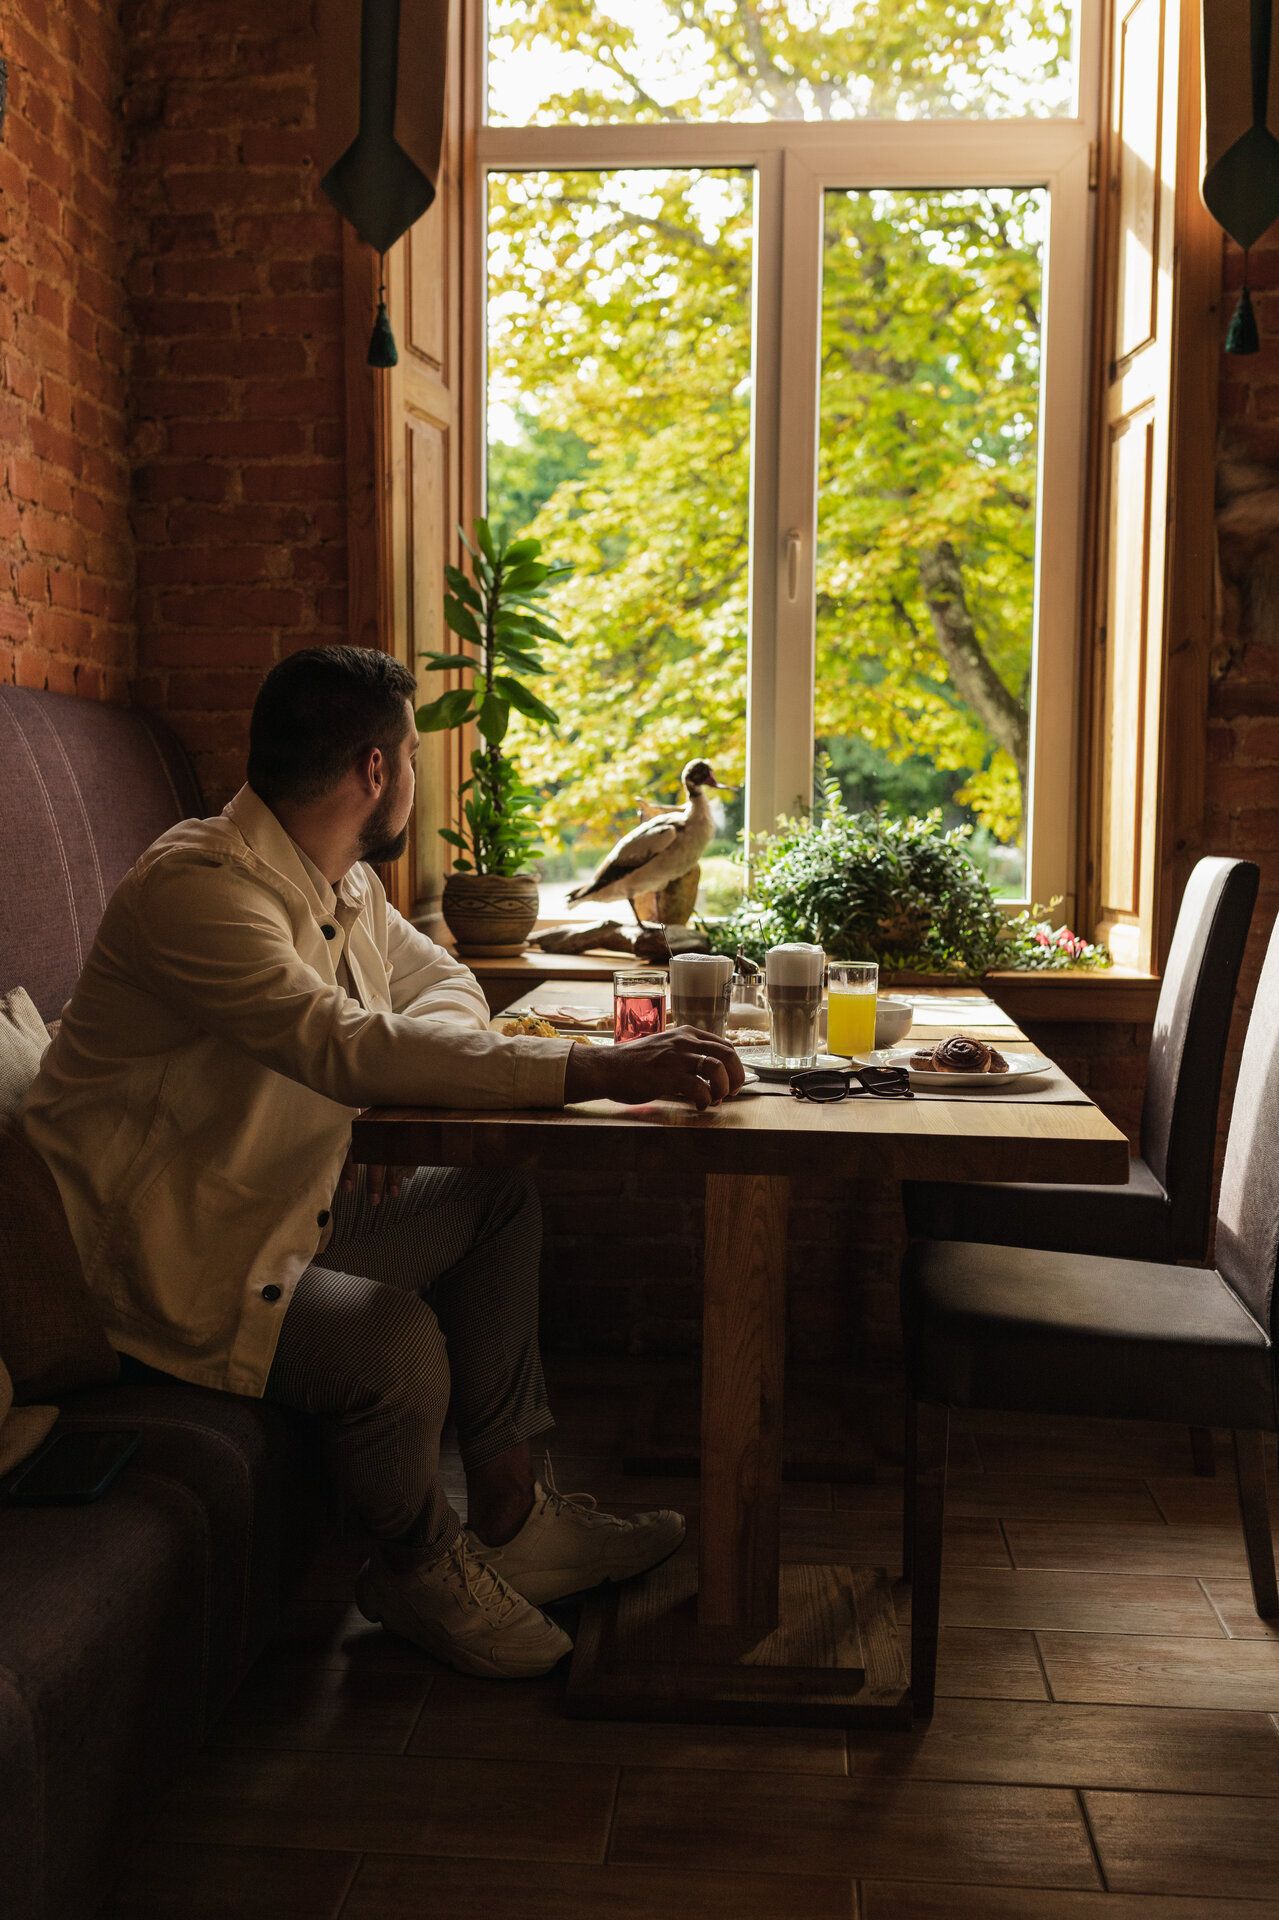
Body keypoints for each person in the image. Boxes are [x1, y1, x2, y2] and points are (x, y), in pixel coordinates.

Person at [20, 646, 744, 1680]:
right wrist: (598, 1065)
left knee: (491, 1194)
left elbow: (442, 985)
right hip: (147, 1261)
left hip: (270, 1203)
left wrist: (372, 1097)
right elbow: (339, 1040)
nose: (414, 771)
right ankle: (418, 1565)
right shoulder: (200, 890)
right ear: (373, 769)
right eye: (411, 752)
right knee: (396, 1341)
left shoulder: (342, 880)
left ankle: (509, 1517)